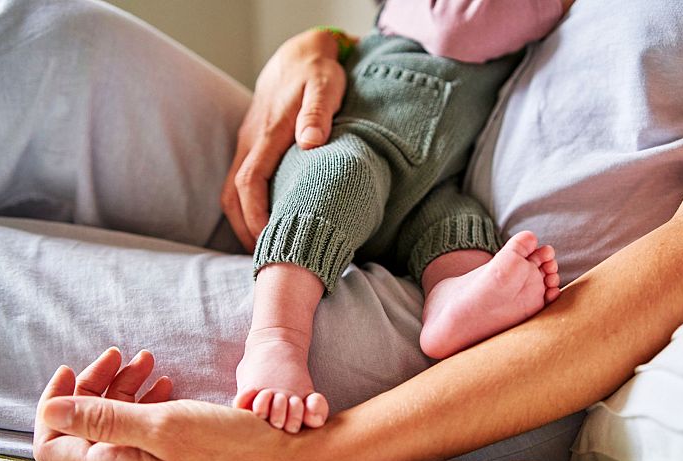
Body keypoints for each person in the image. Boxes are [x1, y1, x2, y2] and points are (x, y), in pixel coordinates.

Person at [0, 0, 683, 461]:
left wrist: (304, 456)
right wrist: (325, 48)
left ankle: (288, 329)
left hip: (482, 333)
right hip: (394, 157)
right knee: (45, 41)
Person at [236, 0, 565, 432]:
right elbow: (456, 27)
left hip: (428, 188)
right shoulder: (414, 15)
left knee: (456, 221)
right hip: (348, 147)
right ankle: (274, 338)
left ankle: (451, 302)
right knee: (338, 176)